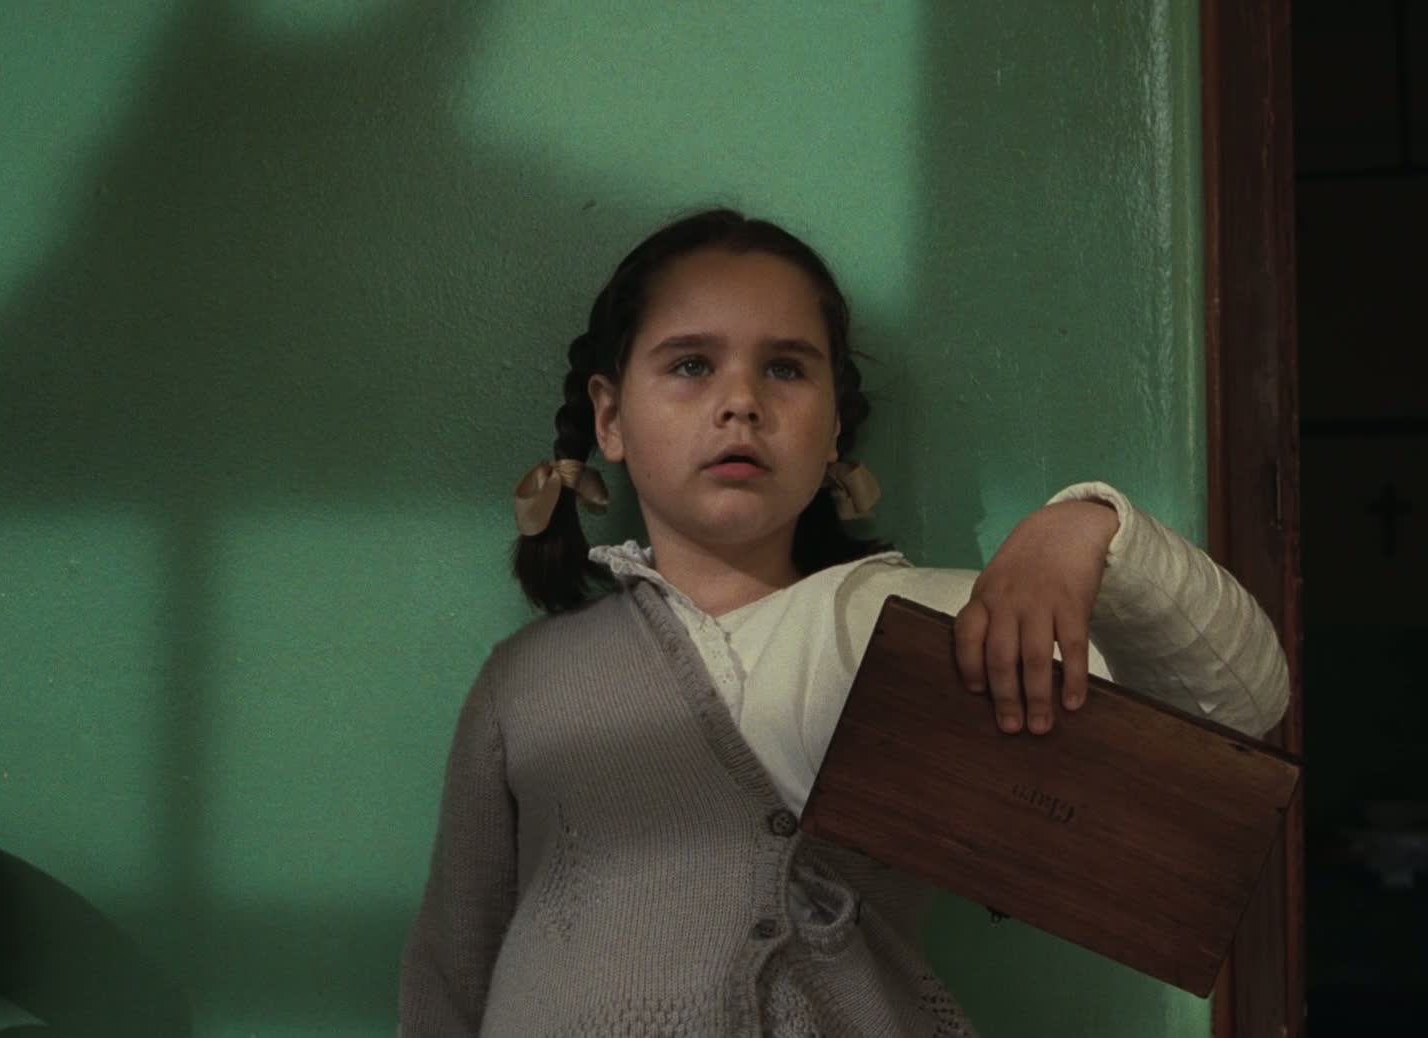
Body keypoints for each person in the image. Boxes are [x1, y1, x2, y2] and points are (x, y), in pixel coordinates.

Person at [397, 208, 1289, 1036]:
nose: (741, 401)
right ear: (609, 417)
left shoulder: (907, 627)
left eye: (786, 368)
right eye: (691, 365)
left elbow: (1237, 707)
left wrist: (1086, 531)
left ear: (833, 433)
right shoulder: (525, 681)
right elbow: (450, 972)